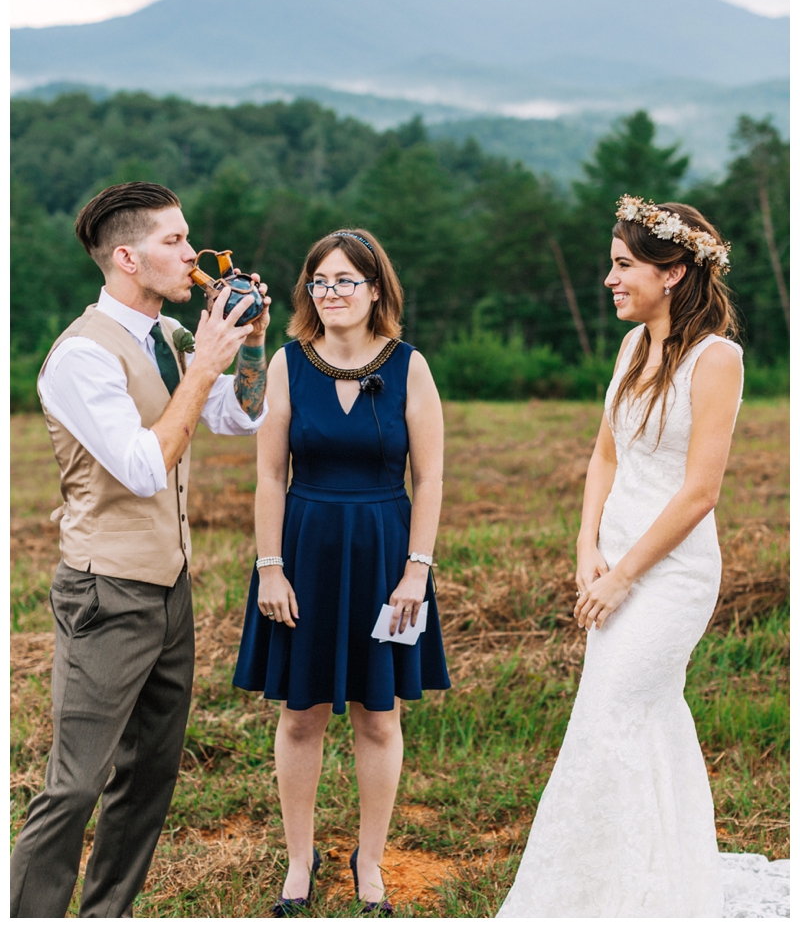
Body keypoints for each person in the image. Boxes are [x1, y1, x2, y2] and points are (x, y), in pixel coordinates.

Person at [10, 181, 270, 918]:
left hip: (170, 587)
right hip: (105, 593)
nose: (194, 256)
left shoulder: (176, 338)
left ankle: (107, 916)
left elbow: (241, 417)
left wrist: (245, 348)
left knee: (149, 778)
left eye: (191, 240)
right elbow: (145, 465)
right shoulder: (80, 357)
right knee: (75, 785)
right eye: (175, 241)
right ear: (127, 257)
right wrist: (203, 365)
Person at [498, 196, 744, 918]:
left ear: (671, 272)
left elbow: (700, 491)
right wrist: (587, 546)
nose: (608, 278)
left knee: (613, 717)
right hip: (613, 563)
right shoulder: (633, 346)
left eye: (622, 264)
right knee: (639, 721)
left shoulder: (715, 358)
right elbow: (605, 454)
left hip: (671, 576)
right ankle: (648, 885)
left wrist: (627, 573)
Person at [233, 228, 450, 916]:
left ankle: (371, 861)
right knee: (301, 715)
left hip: (388, 557)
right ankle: (301, 860)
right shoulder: (287, 363)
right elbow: (269, 474)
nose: (330, 293)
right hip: (304, 551)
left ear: (375, 289)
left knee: (377, 716)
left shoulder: (409, 365)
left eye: (345, 281)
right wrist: (270, 568)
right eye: (319, 281)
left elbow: (432, 473)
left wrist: (417, 570)